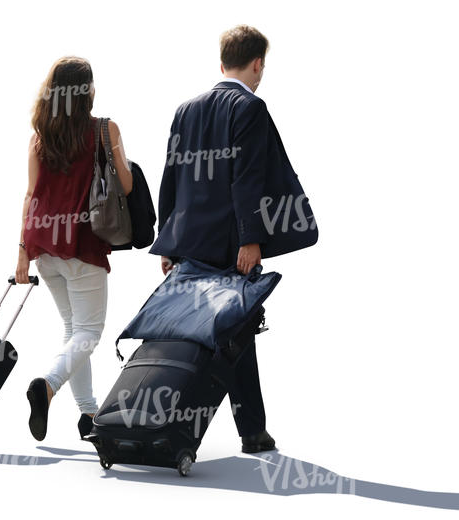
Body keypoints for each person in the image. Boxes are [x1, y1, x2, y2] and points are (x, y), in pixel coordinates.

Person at [149, 25, 279, 453]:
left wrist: (168, 241)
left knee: (207, 332)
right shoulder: (250, 107)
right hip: (229, 245)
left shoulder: (186, 110)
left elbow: (172, 176)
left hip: (189, 242)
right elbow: (247, 180)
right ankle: (247, 430)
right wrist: (251, 239)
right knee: (234, 330)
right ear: (256, 62)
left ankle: (170, 419)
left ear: (221, 62)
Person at [15, 56, 133, 442]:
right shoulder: (104, 129)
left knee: (73, 331)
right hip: (83, 244)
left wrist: (21, 253)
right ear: (87, 91)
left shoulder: (39, 137)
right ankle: (46, 386)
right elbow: (127, 187)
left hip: (45, 247)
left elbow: (31, 195)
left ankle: (88, 414)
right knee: (90, 332)